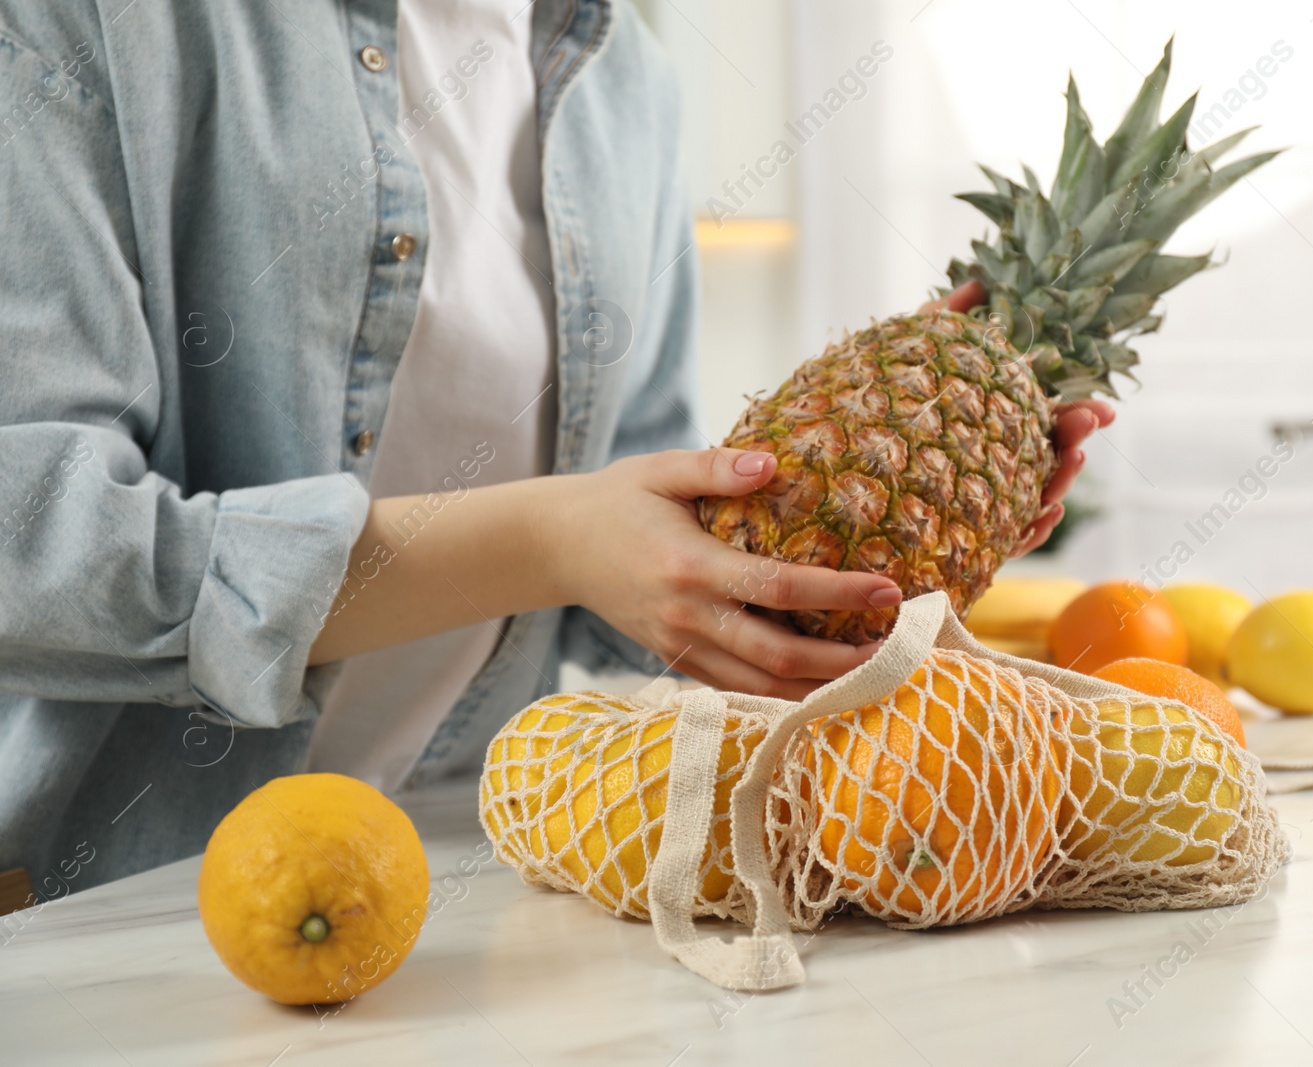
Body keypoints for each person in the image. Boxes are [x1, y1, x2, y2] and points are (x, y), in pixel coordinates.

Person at [0, 0, 1109, 897]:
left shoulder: (626, 77)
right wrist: (550, 537)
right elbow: (31, 547)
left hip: (462, 866)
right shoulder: (93, 20)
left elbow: (642, 571)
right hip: (112, 894)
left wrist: (877, 510)